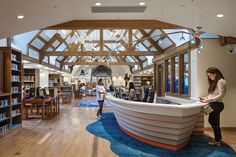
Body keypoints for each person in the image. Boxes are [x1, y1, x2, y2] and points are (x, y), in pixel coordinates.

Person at [201, 67, 226, 146]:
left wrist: (208, 100)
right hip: (215, 104)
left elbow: (221, 95)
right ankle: (219, 140)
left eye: (210, 75)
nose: (209, 77)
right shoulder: (216, 81)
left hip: (217, 105)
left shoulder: (221, 81)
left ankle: (217, 141)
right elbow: (214, 94)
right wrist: (206, 97)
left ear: (215, 73)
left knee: (213, 122)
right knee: (215, 122)